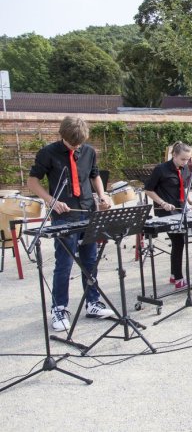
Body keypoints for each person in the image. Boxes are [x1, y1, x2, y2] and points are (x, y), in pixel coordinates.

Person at [27, 116, 115, 332]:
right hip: (64, 216)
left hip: (88, 212)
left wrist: (102, 195)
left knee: (90, 260)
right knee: (64, 264)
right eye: (73, 144)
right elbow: (32, 181)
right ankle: (59, 308)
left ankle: (92, 303)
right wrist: (52, 201)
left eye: (80, 144)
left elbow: (94, 176)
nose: (77, 147)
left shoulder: (89, 152)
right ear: (62, 136)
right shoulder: (48, 153)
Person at [144, 141, 192, 289]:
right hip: (166, 212)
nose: (186, 162)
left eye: (188, 159)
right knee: (178, 242)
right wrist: (162, 203)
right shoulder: (161, 170)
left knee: (178, 242)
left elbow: (183, 187)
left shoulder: (186, 169)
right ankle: (179, 279)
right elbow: (148, 190)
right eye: (183, 159)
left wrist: (189, 200)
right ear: (174, 155)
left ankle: (174, 275)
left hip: (180, 211)